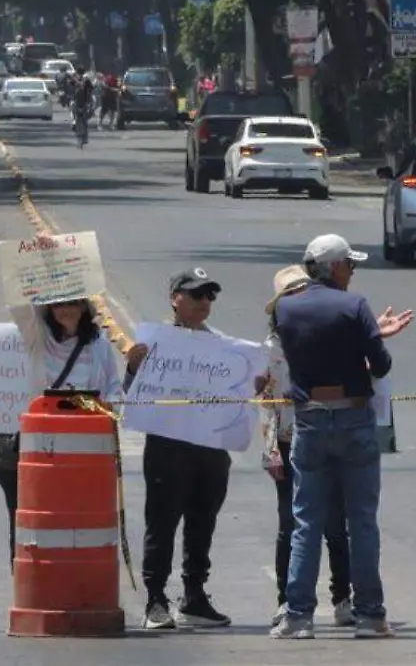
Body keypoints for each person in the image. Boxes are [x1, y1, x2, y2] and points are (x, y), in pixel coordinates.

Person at [272, 234, 413, 640]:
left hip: (310, 420)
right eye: (349, 265)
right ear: (334, 267)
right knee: (362, 521)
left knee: (306, 522)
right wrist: (370, 340)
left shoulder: (286, 308)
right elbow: (380, 365)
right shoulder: (354, 306)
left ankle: (298, 614)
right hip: (353, 418)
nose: (352, 272)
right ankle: (369, 613)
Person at [0, 293, 123, 558]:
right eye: (58, 304)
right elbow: (20, 306)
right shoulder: (35, 339)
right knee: (27, 521)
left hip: (81, 451)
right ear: (48, 309)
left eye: (72, 303)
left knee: (72, 521)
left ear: (84, 307)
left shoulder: (99, 345)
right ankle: (27, 580)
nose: (65, 310)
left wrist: (109, 406)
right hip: (37, 448)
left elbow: (113, 388)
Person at [121, 268, 240, 630]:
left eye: (209, 296)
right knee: (162, 521)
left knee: (202, 521)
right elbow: (131, 394)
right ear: (175, 298)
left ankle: (194, 596)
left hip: (210, 448)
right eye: (196, 294)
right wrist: (132, 368)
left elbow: (238, 390)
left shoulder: (222, 345)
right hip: (168, 447)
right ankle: (156, 599)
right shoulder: (155, 343)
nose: (204, 302)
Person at [261, 265, 353, 629]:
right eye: (291, 296)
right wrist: (270, 451)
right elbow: (266, 402)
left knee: (335, 521)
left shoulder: (330, 336)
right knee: (291, 522)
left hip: (326, 434)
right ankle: (288, 600)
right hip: (287, 440)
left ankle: (343, 596)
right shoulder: (271, 348)